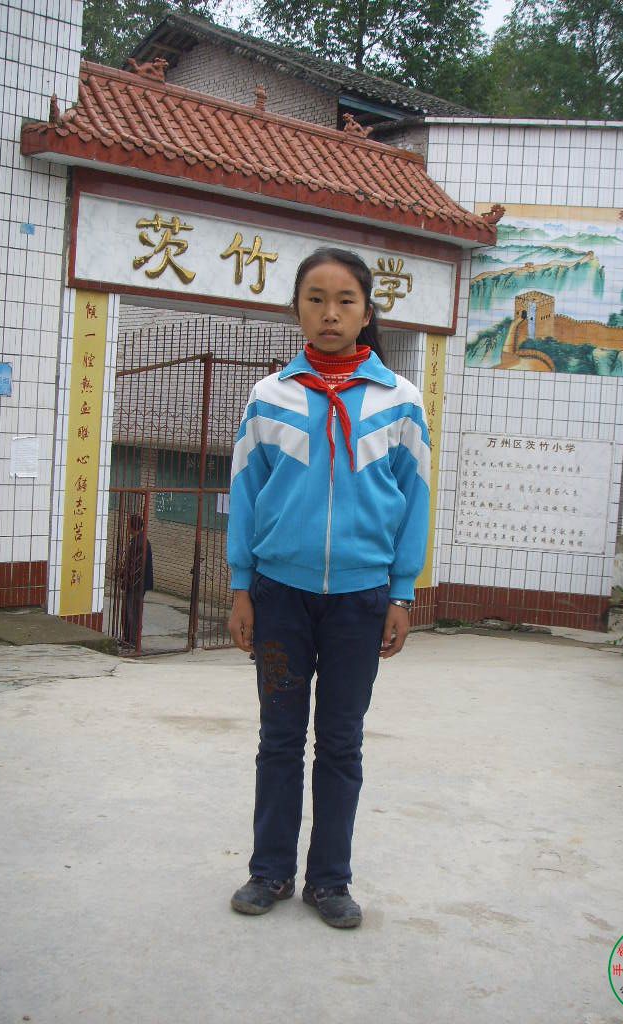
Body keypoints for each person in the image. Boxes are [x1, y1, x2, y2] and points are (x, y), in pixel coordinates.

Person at [226, 247, 430, 928]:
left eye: (346, 300)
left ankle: (330, 881)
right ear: (297, 310)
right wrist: (242, 586)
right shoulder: (269, 397)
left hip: (360, 603)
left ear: (368, 312)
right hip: (279, 598)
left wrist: (400, 593)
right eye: (316, 298)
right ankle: (269, 871)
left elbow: (416, 500)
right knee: (280, 738)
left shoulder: (400, 402)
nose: (331, 312)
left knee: (341, 743)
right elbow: (245, 493)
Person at [120, 512, 153, 646]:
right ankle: (128, 638)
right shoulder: (138, 540)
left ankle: (132, 640)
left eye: (128, 524)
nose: (127, 527)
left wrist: (125, 575)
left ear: (133, 526)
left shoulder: (140, 543)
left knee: (132, 612)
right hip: (135, 583)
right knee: (129, 611)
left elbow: (137, 566)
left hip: (136, 584)